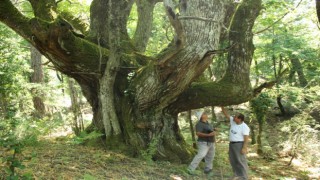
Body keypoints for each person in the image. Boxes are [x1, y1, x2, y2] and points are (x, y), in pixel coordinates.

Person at [221, 106, 250, 180]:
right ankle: (237, 175)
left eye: (235, 117)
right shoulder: (233, 122)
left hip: (239, 145)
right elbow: (226, 114)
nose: (233, 118)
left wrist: (244, 148)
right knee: (233, 160)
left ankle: (244, 177)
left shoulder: (244, 127)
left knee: (240, 160)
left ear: (240, 119)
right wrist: (222, 107)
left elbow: (246, 138)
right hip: (232, 144)